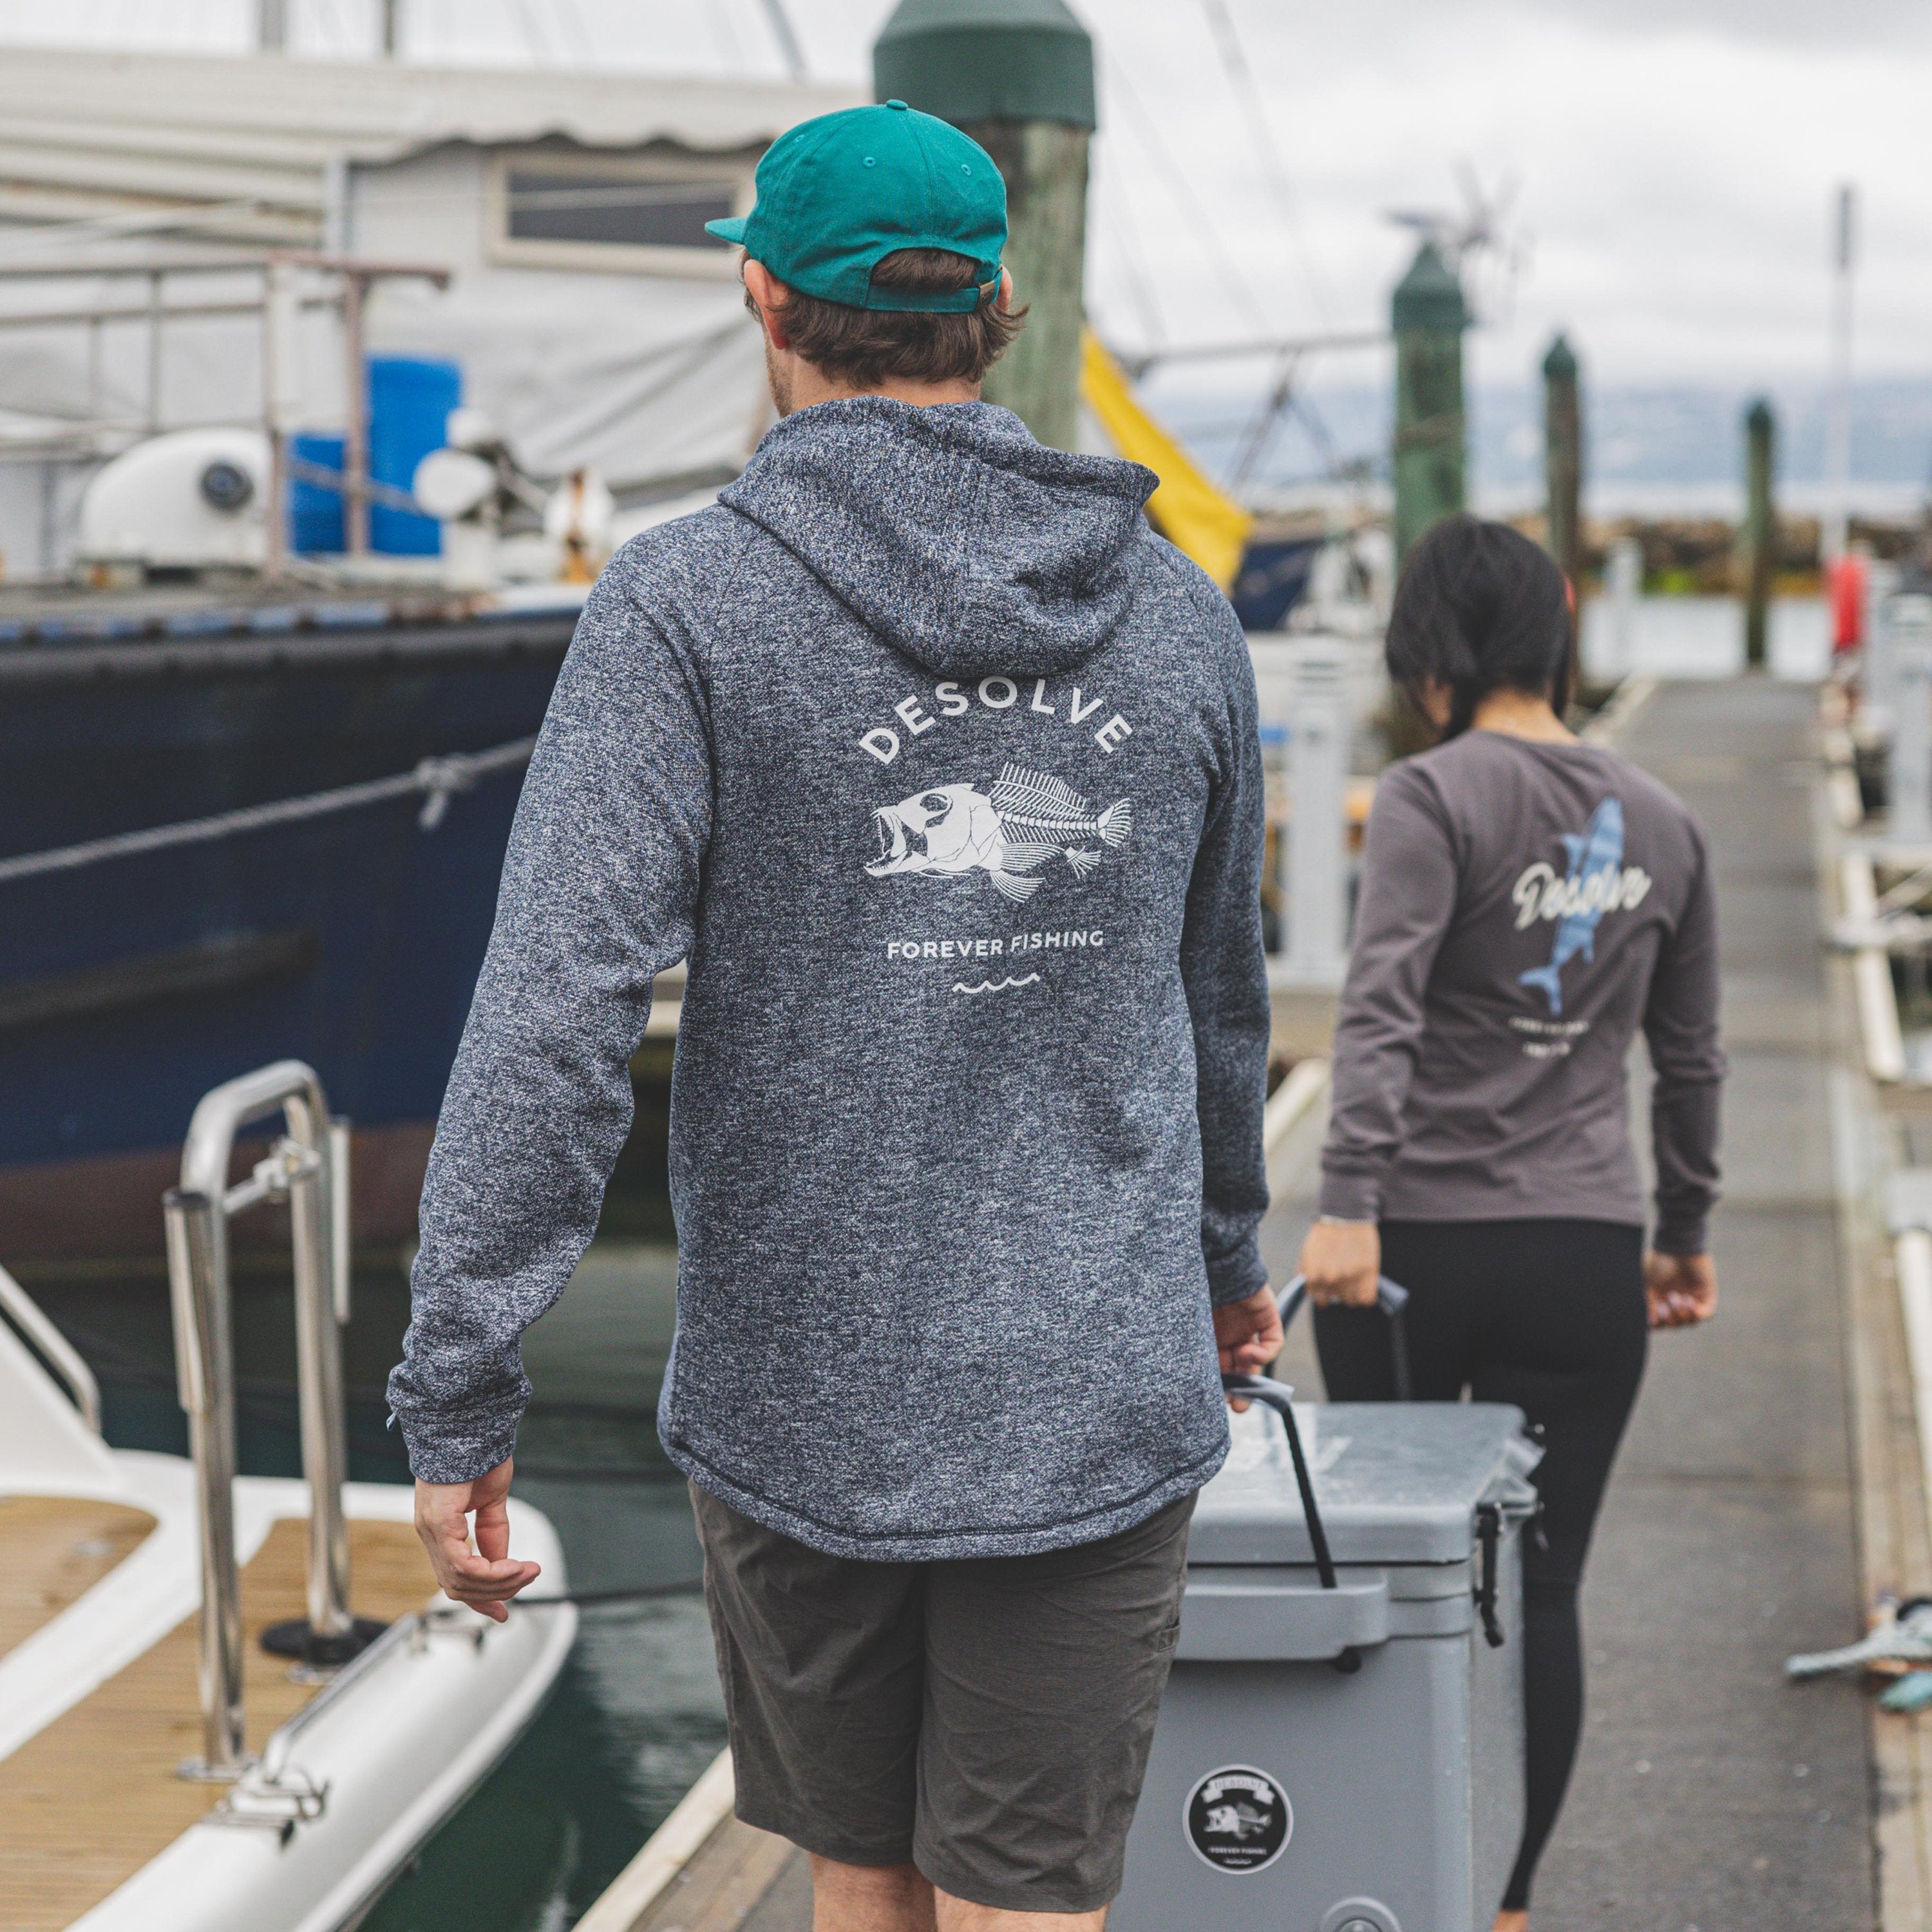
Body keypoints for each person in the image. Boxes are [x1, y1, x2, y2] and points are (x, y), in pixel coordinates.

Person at [386, 101, 1280, 1932]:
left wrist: (462, 1373)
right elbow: (1220, 1001)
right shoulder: (1183, 619)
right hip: (1093, 1389)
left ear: (762, 299)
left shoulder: (682, 605)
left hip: (802, 1396)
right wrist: (1225, 1260)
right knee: (1034, 1900)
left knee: (855, 1884)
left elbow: (559, 1006)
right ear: (1004, 304)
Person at [1296, 515, 1723, 1932]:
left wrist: (1344, 1201)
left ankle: (1390, 1881)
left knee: (1391, 1583)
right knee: (1541, 1596)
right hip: (1586, 1255)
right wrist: (1685, 1232)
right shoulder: (1665, 821)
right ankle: (1506, 1903)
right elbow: (1694, 1055)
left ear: (1434, 653)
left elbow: (1383, 1008)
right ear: (1559, 631)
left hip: (1413, 1256)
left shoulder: (1432, 794)